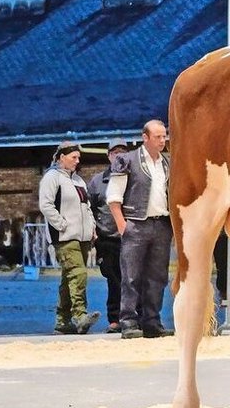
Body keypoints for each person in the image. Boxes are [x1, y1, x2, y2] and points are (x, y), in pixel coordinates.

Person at [107, 120, 174, 339]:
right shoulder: (127, 160)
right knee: (131, 276)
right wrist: (122, 225)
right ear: (145, 138)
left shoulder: (166, 163)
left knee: (158, 276)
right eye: (158, 137)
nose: (162, 141)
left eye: (164, 136)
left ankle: (152, 321)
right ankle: (128, 321)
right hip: (136, 223)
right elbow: (113, 197)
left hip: (162, 224)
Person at [37, 142, 101, 334]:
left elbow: (86, 207)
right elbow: (46, 205)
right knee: (78, 273)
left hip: (83, 237)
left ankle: (62, 321)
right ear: (61, 158)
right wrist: (62, 225)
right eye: (74, 157)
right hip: (64, 237)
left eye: (78, 157)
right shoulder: (52, 178)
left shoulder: (79, 181)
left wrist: (91, 227)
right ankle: (80, 315)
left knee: (69, 278)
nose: (77, 160)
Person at [85, 140, 131, 332]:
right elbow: (89, 208)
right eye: (115, 152)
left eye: (123, 152)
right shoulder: (97, 181)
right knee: (113, 280)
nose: (119, 155)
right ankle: (115, 319)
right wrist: (94, 232)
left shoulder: (134, 177)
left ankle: (136, 317)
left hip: (132, 238)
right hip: (108, 239)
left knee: (134, 279)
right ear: (108, 155)